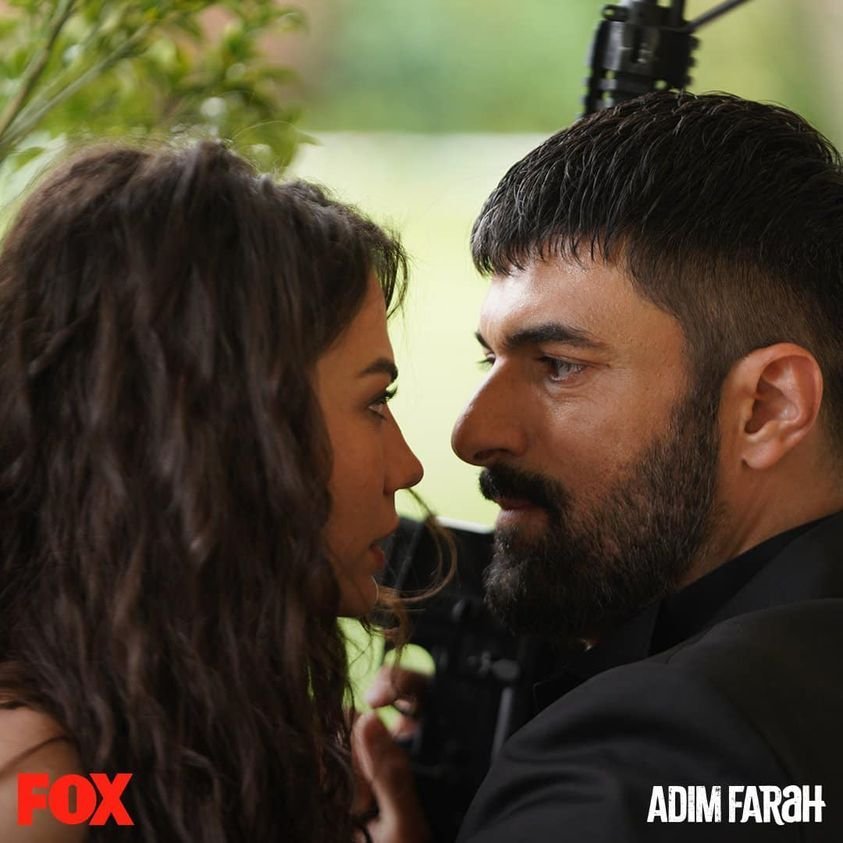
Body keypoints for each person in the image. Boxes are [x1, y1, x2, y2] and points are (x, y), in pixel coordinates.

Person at [357, 91, 843, 842]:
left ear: (766, 407)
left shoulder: (653, 751)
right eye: (489, 360)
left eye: (559, 365)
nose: (470, 434)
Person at [0, 141, 428, 841]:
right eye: (375, 402)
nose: (408, 467)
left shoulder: (162, 719)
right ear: (231, 435)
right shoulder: (45, 791)